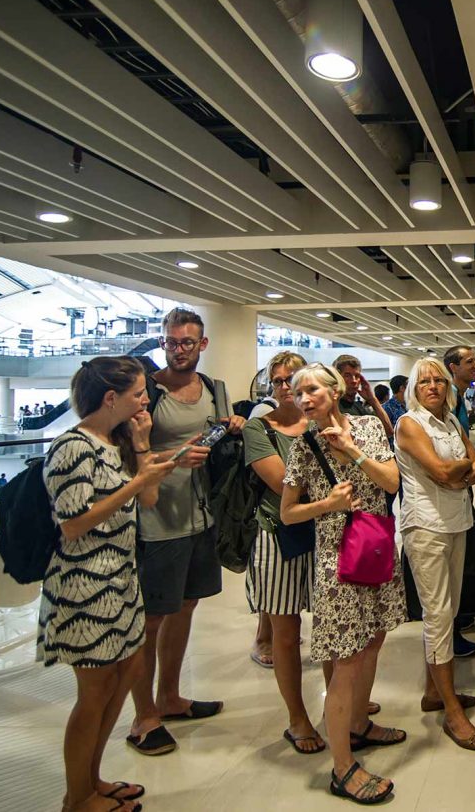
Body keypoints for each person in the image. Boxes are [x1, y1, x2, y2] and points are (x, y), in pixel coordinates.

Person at [41, 356, 177, 811]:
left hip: (119, 576)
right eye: (139, 392)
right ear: (110, 397)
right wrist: (137, 480)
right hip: (85, 584)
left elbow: (149, 498)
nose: (145, 399)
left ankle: (92, 780)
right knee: (94, 692)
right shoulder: (71, 446)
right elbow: (73, 523)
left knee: (127, 672)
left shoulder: (112, 442)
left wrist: (141, 447)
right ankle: (77, 796)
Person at [281, 362, 406, 803]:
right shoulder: (303, 447)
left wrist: (352, 452)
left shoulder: (370, 427)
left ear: (334, 391)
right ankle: (341, 767)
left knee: (374, 639)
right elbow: (287, 512)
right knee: (347, 659)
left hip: (375, 547)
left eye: (312, 388)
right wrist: (326, 505)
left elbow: (391, 481)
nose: (304, 398)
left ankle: (358, 723)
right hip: (338, 561)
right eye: (298, 393)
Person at [128, 308, 244, 756]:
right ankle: (143, 716)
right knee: (152, 618)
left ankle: (170, 696)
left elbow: (216, 439)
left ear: (202, 345)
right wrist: (173, 459)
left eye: (187, 343)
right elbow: (130, 456)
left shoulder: (214, 390)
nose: (178, 350)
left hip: (202, 515)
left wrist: (230, 424)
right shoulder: (147, 392)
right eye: (172, 342)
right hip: (159, 521)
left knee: (186, 607)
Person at [394, 358, 475, 750]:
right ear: (414, 388)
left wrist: (456, 470)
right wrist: (455, 471)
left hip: (456, 522)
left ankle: (435, 692)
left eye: (438, 380)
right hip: (425, 526)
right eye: (424, 381)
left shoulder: (450, 422)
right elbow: (443, 472)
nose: (432, 386)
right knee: (437, 615)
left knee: (447, 611)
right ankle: (451, 709)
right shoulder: (409, 424)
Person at [240, 351, 327, 752]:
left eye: (293, 378)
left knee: (330, 625)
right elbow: (281, 484)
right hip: (278, 535)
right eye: (278, 380)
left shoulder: (324, 421)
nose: (285, 386)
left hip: (327, 532)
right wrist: (330, 486)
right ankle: (298, 718)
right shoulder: (259, 428)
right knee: (286, 636)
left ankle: (341, 700)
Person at [442, 344, 475, 658]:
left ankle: (459, 615)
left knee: (468, 549)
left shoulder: (458, 396)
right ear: (452, 367)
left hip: (463, 481)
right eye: (469, 361)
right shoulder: (448, 398)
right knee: (458, 555)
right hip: (452, 486)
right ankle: (451, 630)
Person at [331, 354, 395, 442]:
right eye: (347, 375)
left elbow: (388, 431)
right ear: (337, 378)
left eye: (357, 376)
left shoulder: (360, 408)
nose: (353, 380)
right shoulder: (332, 407)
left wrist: (372, 399)